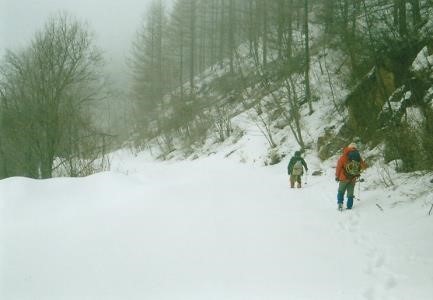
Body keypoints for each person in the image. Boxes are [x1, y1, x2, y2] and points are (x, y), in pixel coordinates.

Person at [335, 142, 367, 210]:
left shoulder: (343, 157)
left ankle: (340, 204)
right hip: (353, 178)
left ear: (348, 148)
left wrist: (337, 176)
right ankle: (349, 206)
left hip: (343, 177)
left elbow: (338, 167)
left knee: (341, 191)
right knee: (350, 193)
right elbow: (363, 166)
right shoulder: (358, 156)